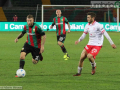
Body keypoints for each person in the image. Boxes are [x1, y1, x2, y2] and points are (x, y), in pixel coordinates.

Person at [73, 12, 116, 76]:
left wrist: (112, 43)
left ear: (93, 18)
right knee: (82, 57)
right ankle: (79, 73)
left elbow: (105, 34)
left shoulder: (98, 25)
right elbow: (84, 35)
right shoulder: (87, 25)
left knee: (89, 56)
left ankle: (93, 66)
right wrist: (79, 40)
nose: (87, 19)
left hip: (97, 45)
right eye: (87, 17)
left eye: (88, 17)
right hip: (90, 44)